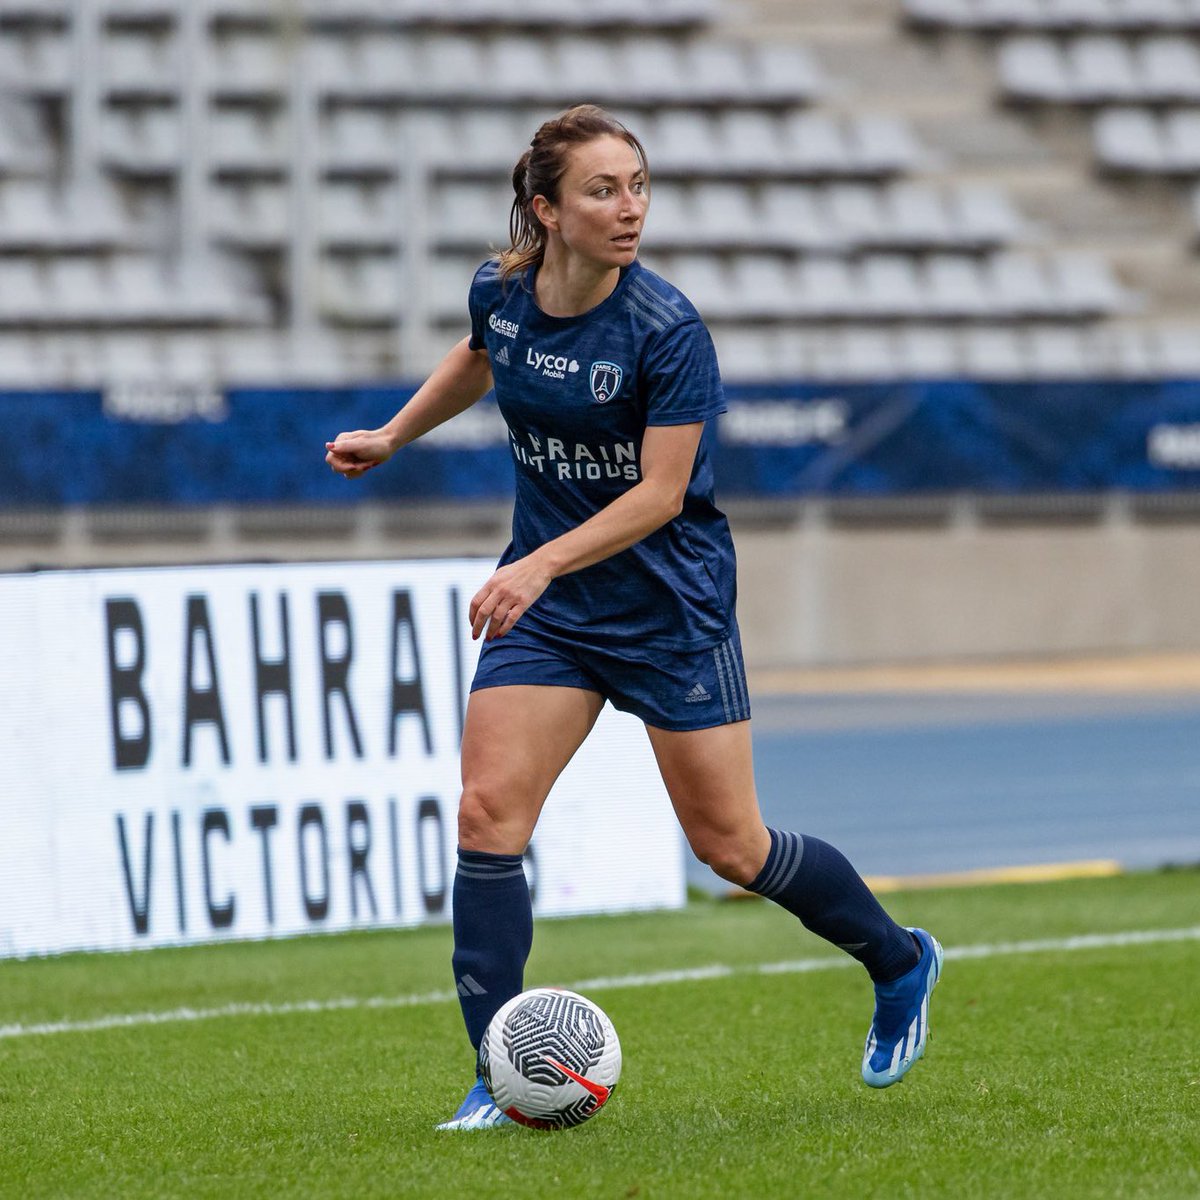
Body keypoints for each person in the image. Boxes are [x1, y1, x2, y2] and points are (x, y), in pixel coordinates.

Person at [325, 104, 942, 1131]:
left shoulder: (666, 329)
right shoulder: (502, 291)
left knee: (733, 849)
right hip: (556, 611)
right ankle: (498, 1072)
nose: (630, 209)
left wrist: (536, 563)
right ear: (546, 210)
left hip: (668, 609)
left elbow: (660, 494)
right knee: (486, 817)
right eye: (604, 190)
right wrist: (394, 435)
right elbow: (481, 354)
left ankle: (899, 959)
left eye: (638, 187)